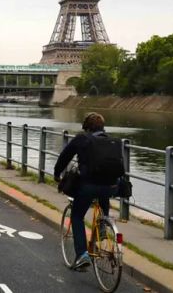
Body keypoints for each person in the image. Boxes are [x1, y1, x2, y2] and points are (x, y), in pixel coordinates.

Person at [54, 112, 120, 270]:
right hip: (111, 186)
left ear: (86, 127)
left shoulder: (82, 139)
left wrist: (57, 173)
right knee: (103, 192)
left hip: (88, 186)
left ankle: (82, 254)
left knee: (77, 216)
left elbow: (65, 157)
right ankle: (103, 226)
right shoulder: (113, 141)